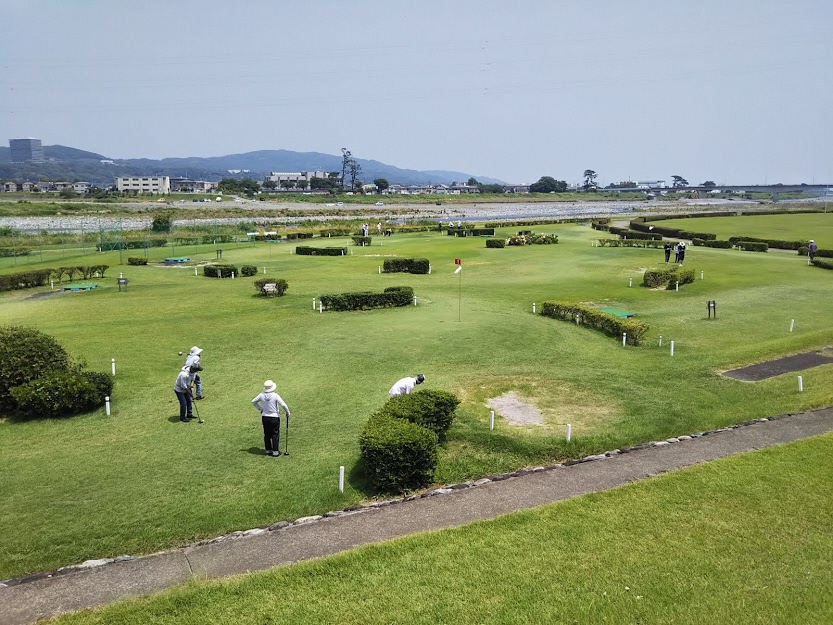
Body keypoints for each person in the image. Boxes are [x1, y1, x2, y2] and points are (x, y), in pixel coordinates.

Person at [252, 379, 291, 457]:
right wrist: (287, 412)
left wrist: (261, 409)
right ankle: (275, 452)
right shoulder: (275, 395)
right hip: (274, 417)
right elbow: (283, 404)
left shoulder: (261, 395)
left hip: (265, 417)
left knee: (267, 434)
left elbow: (254, 401)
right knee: (275, 434)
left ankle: (268, 450)